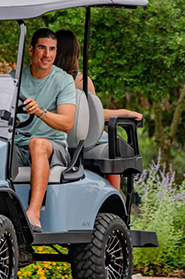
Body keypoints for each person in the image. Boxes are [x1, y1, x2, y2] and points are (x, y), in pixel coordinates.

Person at [54, 29, 143, 189]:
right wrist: (125, 112)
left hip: (58, 136)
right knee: (114, 146)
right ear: (75, 53)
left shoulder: (47, 78)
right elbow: (95, 115)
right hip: (81, 140)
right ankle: (114, 195)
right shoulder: (79, 80)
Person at [11, 29, 77, 232]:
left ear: (56, 53)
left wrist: (40, 112)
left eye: (52, 50)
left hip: (53, 148)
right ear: (31, 50)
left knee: (37, 143)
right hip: (18, 146)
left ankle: (34, 213)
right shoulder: (15, 77)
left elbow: (67, 123)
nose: (46, 54)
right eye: (41, 48)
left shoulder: (64, 80)